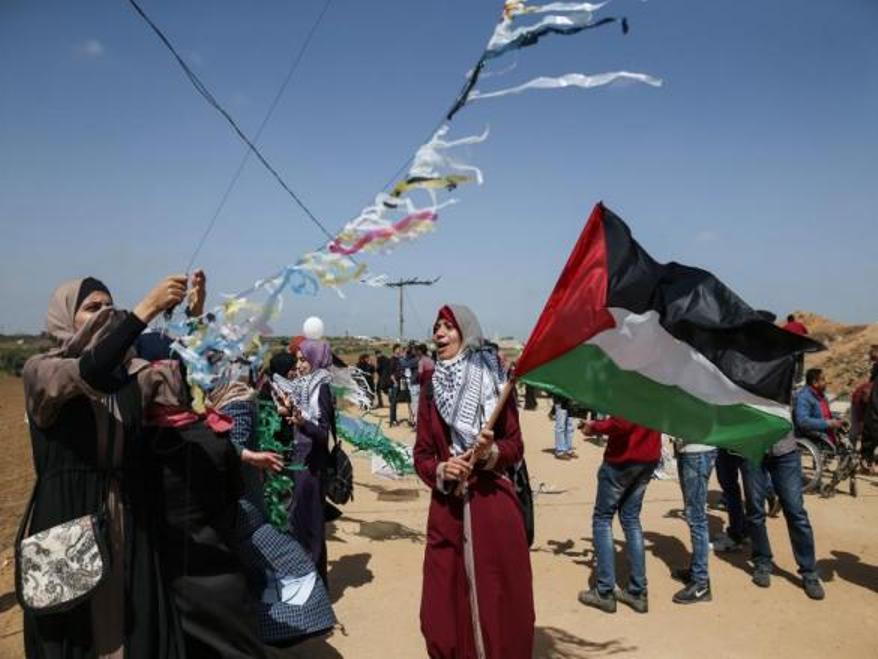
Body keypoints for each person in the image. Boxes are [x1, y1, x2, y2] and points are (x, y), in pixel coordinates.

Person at [20, 274, 189, 659]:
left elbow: (187, 387)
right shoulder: (43, 370)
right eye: (92, 307)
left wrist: (191, 320)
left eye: (110, 306)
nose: (105, 313)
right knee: (74, 626)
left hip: (128, 515)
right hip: (67, 518)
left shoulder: (135, 373)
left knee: (132, 619)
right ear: (65, 316)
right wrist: (146, 309)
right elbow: (91, 373)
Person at [414, 305, 534, 658]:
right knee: (441, 607)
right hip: (447, 512)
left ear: (466, 333)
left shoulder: (495, 379)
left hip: (492, 510)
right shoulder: (431, 386)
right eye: (437, 327)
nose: (439, 333)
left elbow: (515, 445)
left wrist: (488, 453)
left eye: (448, 327)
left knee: (497, 601)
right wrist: (441, 470)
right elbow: (422, 454)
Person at [743, 384, 826, 599]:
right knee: (755, 509)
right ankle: (762, 561)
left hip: (785, 452)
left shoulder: (783, 374)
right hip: (753, 449)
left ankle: (809, 572)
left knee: (795, 511)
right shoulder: (742, 376)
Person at [578, 417, 661, 614]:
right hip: (648, 455)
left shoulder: (633, 394)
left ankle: (604, 592)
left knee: (603, 519)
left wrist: (594, 427)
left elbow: (621, 423)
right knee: (631, 518)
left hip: (624, 458)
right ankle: (637, 591)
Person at [277, 339, 336, 584]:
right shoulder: (306, 386)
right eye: (297, 360)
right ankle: (311, 582)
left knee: (311, 525)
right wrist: (289, 413)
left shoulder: (321, 388)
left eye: (303, 360)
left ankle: (315, 586)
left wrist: (303, 423)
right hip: (302, 461)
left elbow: (322, 433)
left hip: (313, 466)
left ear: (315, 359)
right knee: (301, 522)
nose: (299, 365)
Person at [670, 441, 717, 604]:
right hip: (689, 450)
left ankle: (701, 583)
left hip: (697, 452)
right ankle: (696, 570)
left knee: (696, 518)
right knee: (693, 515)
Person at [794, 368, 845, 444]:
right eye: (823, 379)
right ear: (815, 383)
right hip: (816, 439)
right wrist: (828, 423)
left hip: (828, 435)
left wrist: (836, 420)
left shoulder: (820, 396)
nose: (826, 382)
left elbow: (823, 415)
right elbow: (803, 421)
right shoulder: (804, 397)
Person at [409, 343, 433, 426]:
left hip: (423, 385)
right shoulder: (430, 360)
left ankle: (418, 424)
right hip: (431, 385)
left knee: (418, 405)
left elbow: (420, 375)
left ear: (420, 351)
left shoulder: (421, 361)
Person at [782, 314, 809, 383]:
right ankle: (798, 379)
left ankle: (791, 377)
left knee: (792, 362)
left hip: (792, 347)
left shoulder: (786, 326)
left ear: (788, 320)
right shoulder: (800, 324)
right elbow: (806, 332)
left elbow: (782, 335)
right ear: (794, 319)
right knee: (800, 362)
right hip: (801, 346)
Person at [552, 395, 577, 460]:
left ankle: (568, 449)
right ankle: (560, 451)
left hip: (570, 402)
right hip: (560, 401)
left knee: (570, 427)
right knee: (560, 427)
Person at [388, 343, 404, 426]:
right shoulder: (392, 360)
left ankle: (394, 419)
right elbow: (391, 373)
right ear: (394, 350)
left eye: (400, 349)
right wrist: (395, 382)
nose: (399, 350)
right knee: (393, 402)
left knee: (395, 402)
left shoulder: (398, 359)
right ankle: (392, 420)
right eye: (398, 349)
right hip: (394, 384)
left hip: (398, 382)